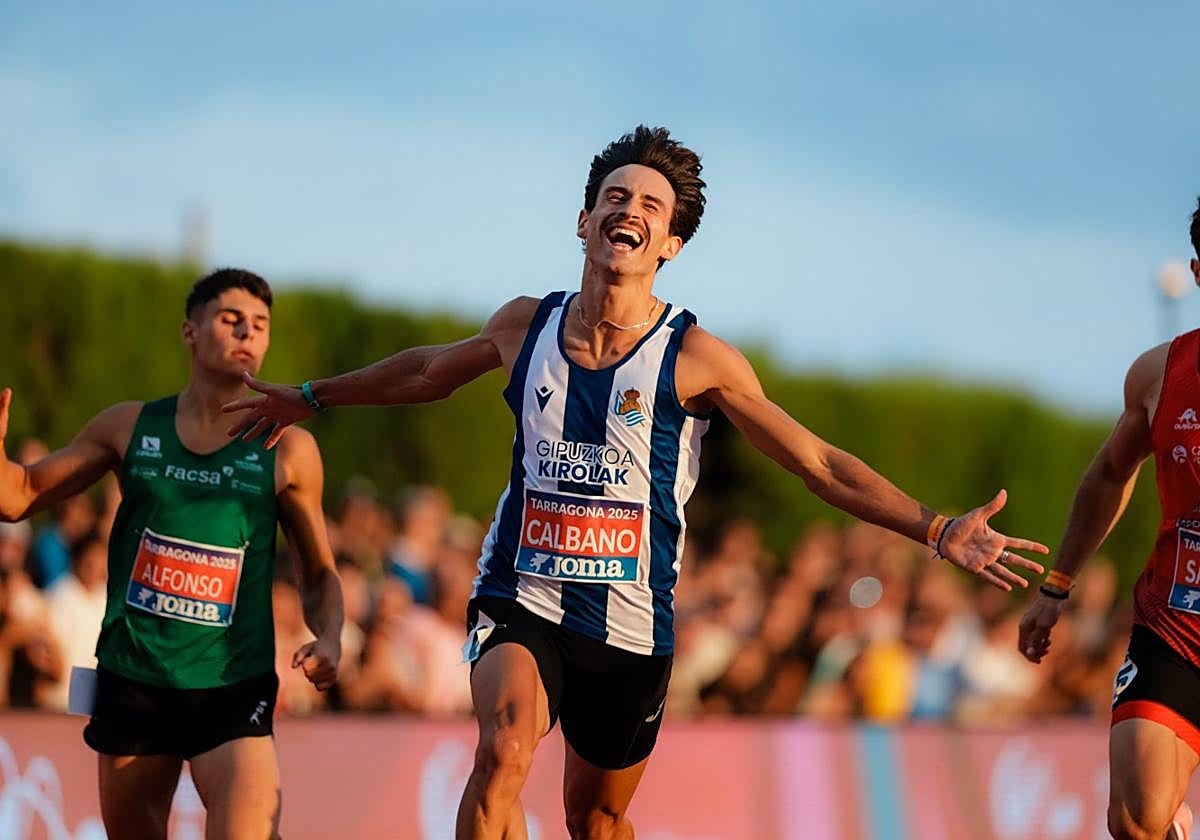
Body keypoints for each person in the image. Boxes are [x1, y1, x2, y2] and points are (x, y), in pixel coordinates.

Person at [224, 125, 1047, 840]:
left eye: (651, 209)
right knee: (504, 750)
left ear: (670, 247)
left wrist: (937, 529)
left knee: (597, 821)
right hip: (524, 596)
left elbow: (818, 464)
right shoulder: (524, 326)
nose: (630, 212)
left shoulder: (696, 359)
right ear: (584, 221)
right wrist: (309, 396)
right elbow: (428, 372)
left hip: (630, 629)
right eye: (616, 197)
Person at [0, 269, 343, 840]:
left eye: (260, 325)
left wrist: (330, 635)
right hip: (135, 682)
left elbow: (319, 572)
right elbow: (19, 496)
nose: (247, 334)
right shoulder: (129, 426)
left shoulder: (289, 449)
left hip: (233, 688)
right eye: (231, 320)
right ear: (190, 330)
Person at [1018, 201, 1200, 840]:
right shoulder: (1159, 374)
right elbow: (1106, 476)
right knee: (1135, 822)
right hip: (1177, 628)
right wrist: (1055, 586)